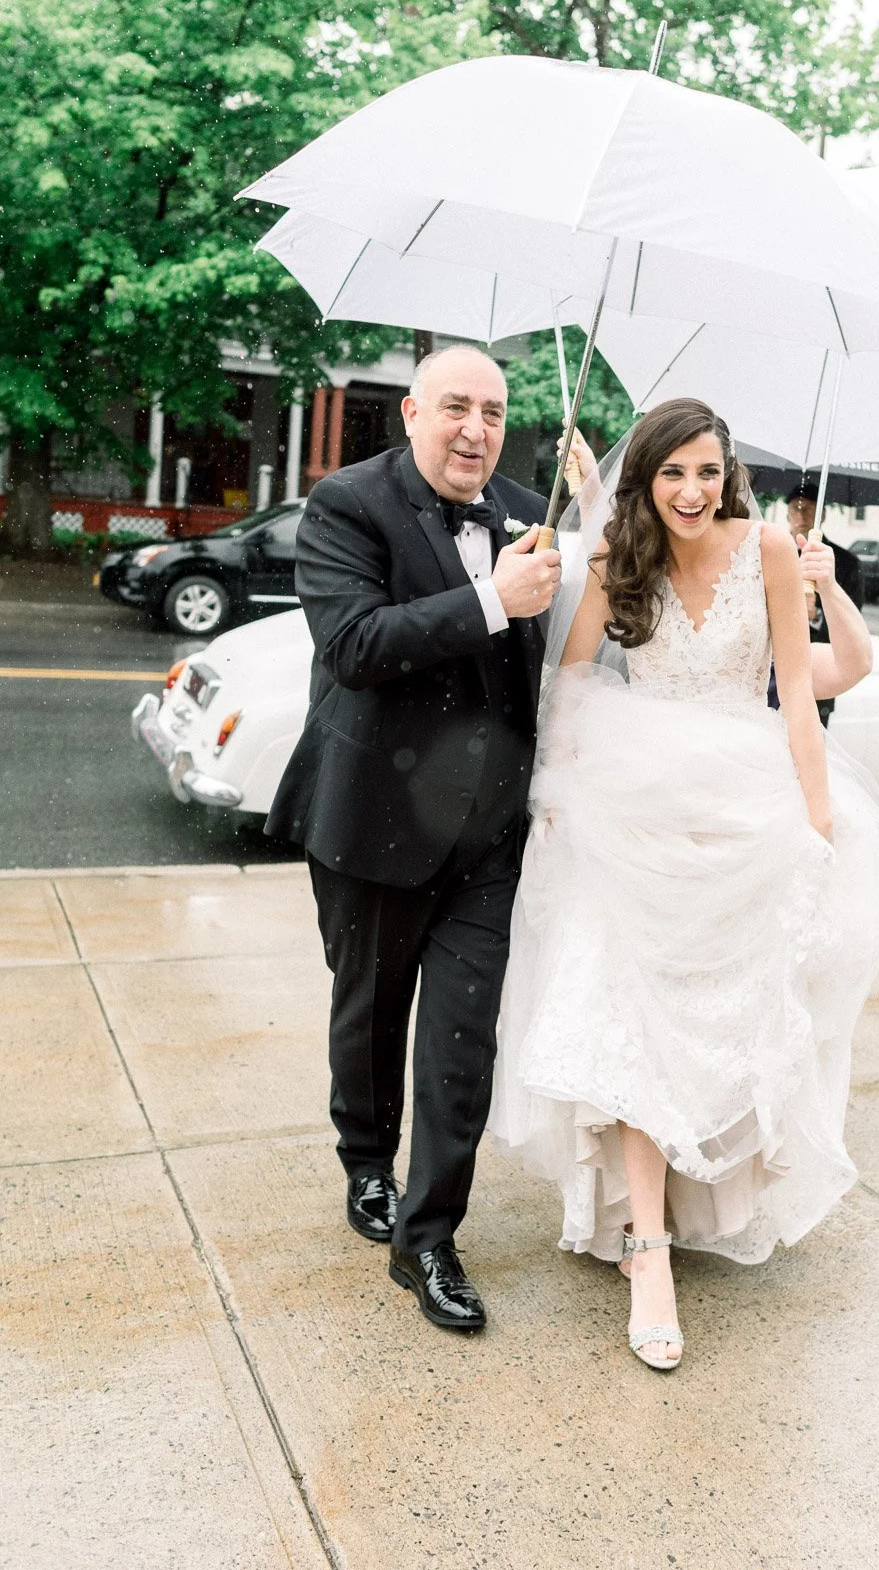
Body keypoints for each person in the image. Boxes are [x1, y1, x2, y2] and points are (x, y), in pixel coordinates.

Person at [490, 399, 879, 1371]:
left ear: (730, 476)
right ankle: (645, 1250)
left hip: (742, 814)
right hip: (633, 822)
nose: (691, 491)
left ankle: (696, 1195)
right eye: (672, 472)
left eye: (708, 472)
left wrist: (814, 821)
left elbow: (803, 701)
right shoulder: (614, 559)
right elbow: (572, 681)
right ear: (645, 477)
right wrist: (559, 795)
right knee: (633, 1023)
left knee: (727, 1029)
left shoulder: (767, 547)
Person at [266, 346, 560, 1333]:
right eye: (456, 408)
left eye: (493, 411)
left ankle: (428, 1239)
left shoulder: (527, 512)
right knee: (371, 1014)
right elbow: (352, 646)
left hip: (488, 835)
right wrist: (490, 602)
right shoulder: (346, 505)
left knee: (459, 1043)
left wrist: (591, 516)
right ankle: (364, 1162)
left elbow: (545, 672)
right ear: (411, 413)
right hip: (372, 820)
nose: (476, 429)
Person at [768, 477, 865, 727]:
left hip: (817, 676)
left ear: (821, 515)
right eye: (795, 509)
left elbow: (852, 622)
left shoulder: (845, 563)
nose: (801, 516)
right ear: (787, 513)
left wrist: (815, 614)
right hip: (768, 673)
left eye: (808, 509)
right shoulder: (766, 552)